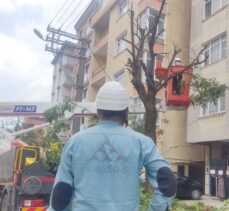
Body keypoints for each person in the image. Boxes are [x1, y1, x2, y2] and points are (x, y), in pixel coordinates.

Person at [47, 81, 177, 211]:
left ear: (98, 111)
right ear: (126, 111)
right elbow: (168, 182)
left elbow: (61, 193)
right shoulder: (142, 143)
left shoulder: (74, 142)